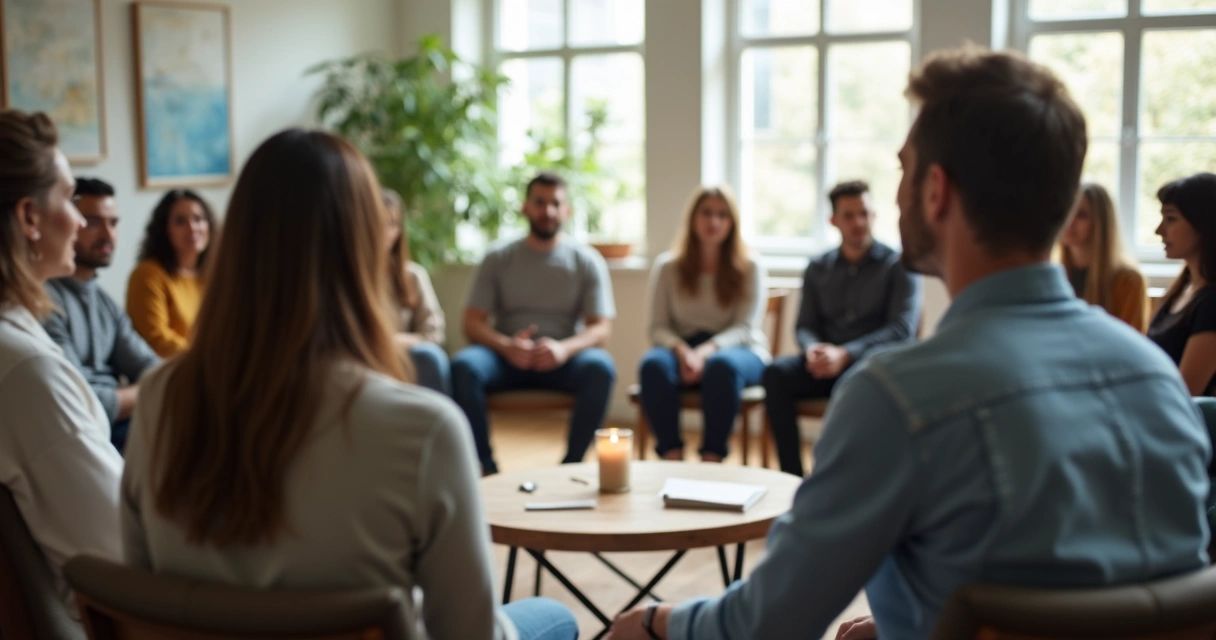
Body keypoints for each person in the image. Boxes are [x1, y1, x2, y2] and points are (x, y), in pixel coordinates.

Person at [605, 47, 1210, 640]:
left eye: (902, 168)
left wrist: (656, 621)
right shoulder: (1155, 377)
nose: (892, 196)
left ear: (935, 191)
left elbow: (765, 624)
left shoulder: (899, 397)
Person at [120, 129, 577, 640]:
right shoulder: (424, 431)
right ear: (361, 247)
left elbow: (142, 594)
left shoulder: (160, 397)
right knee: (554, 618)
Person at [0, 110, 122, 615]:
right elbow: (123, 547)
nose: (80, 220)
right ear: (29, 218)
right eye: (72, 200)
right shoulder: (27, 371)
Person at [451, 172, 617, 475]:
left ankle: (571, 466)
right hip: (506, 357)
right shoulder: (498, 257)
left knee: (600, 368)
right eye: (540, 203)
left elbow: (600, 328)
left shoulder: (587, 261)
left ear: (567, 210)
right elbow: (471, 323)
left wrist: (563, 350)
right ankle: (485, 467)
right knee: (464, 367)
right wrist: (506, 346)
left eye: (555, 203)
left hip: (563, 360)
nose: (548, 211)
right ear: (525, 207)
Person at [763, 180, 921, 476]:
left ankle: (839, 479)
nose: (859, 222)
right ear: (833, 221)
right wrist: (814, 350)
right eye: (849, 215)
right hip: (824, 363)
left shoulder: (899, 265)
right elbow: (805, 326)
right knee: (775, 374)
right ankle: (792, 478)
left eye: (865, 213)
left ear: (874, 215)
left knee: (854, 380)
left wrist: (846, 354)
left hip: (870, 365)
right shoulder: (817, 267)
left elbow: (902, 329)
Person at [640, 186, 767, 462]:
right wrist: (683, 351)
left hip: (740, 352)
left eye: (722, 215)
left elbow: (745, 328)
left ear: (732, 223)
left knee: (722, 368)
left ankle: (712, 457)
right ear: (692, 218)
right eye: (706, 213)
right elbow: (657, 327)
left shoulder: (751, 267)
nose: (714, 222)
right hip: (684, 347)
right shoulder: (668, 267)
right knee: (653, 366)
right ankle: (671, 454)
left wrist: (706, 352)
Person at [43, 177, 159, 453]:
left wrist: (153, 386)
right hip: (88, 435)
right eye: (93, 222)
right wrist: (149, 391)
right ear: (71, 222)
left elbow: (150, 365)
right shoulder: (45, 300)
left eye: (114, 223)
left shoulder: (105, 302)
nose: (108, 234)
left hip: (126, 420)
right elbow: (83, 402)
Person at [1148, 172, 1216, 396]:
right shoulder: (1182, 289)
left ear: (1203, 224)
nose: (1159, 230)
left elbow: (1185, 392)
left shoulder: (1211, 303)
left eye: (1171, 219)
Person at [126, 189, 215, 357]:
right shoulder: (148, 274)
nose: (192, 227)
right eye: (180, 221)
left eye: (198, 219)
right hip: (172, 372)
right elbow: (156, 340)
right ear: (164, 230)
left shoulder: (211, 275)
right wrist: (206, 357)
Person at [382, 188, 450, 395]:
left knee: (431, 358)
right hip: (359, 361)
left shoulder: (412, 276)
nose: (383, 232)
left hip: (403, 359)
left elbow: (433, 334)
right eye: (376, 222)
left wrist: (391, 341)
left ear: (399, 231)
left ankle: (439, 425)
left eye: (391, 224)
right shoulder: (342, 278)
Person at [1059, 182, 1148, 332]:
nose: (1070, 221)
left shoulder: (1128, 280)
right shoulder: (1056, 274)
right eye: (1068, 212)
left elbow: (1129, 342)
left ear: (1101, 222)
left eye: (1081, 215)